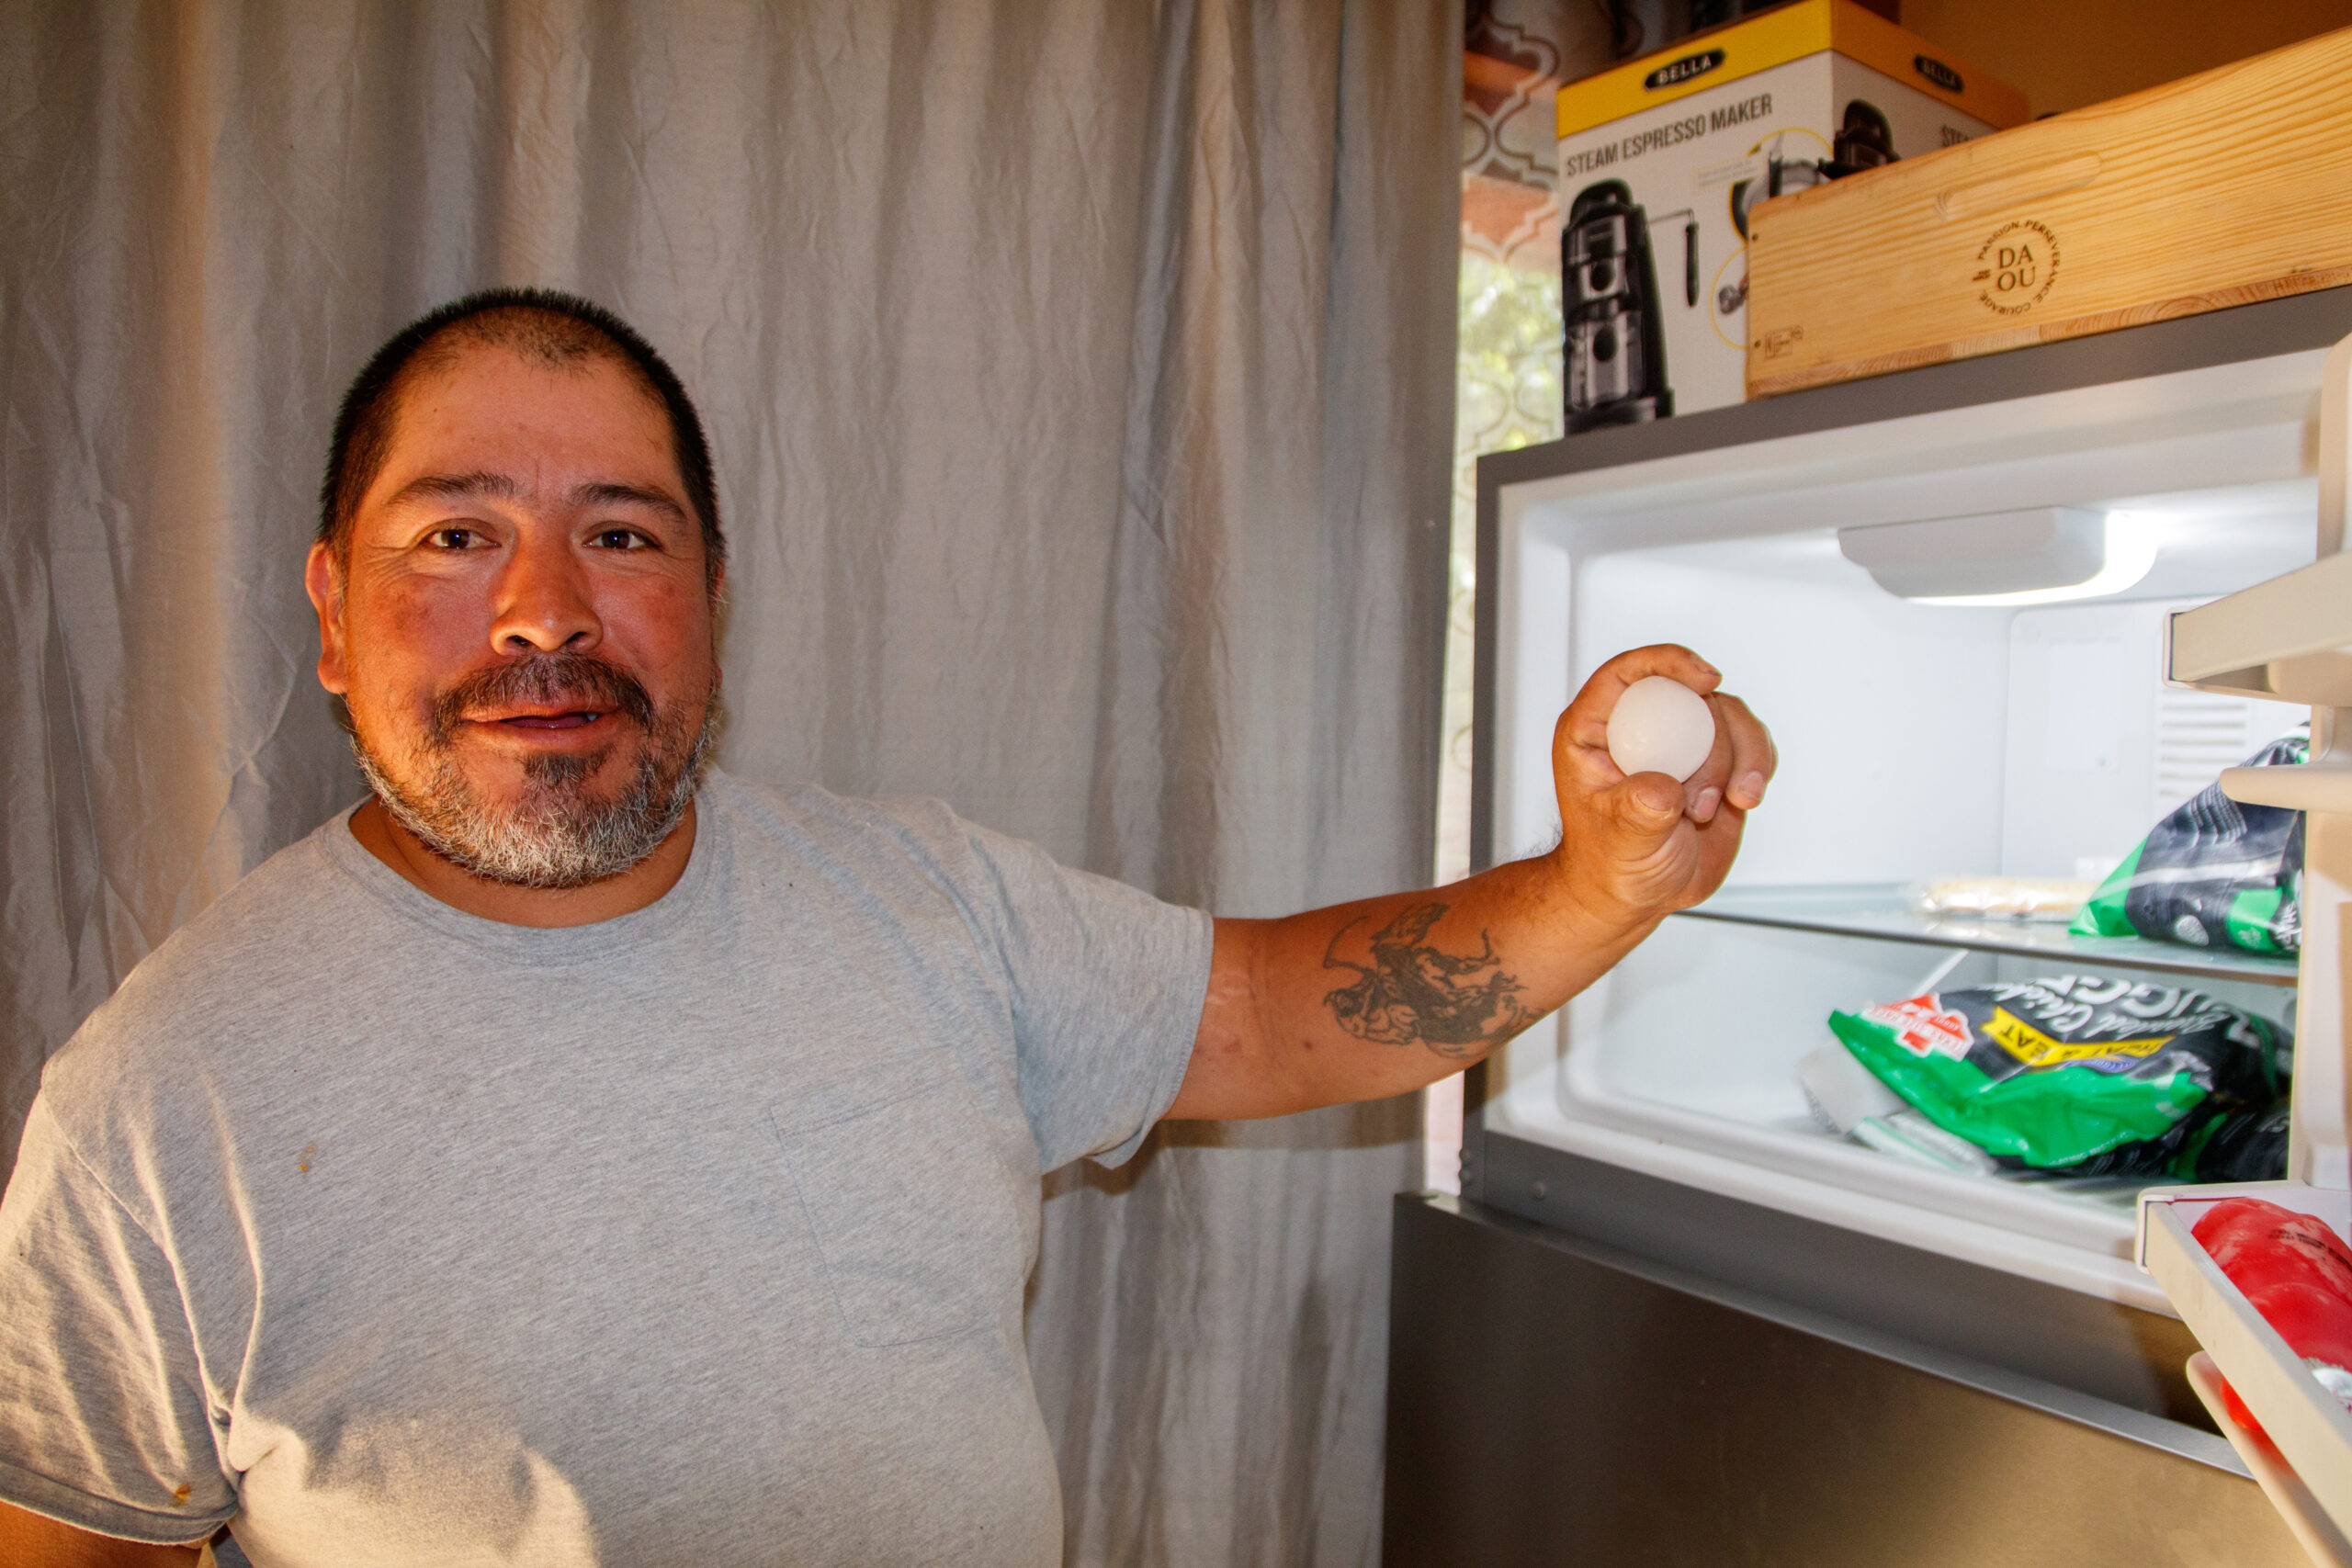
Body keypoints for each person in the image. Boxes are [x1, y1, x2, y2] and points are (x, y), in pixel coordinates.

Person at [0, 289, 1772, 1567]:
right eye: (457, 534)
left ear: (713, 605)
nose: (546, 613)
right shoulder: (162, 1099)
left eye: (622, 534)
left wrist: (1601, 880)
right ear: (330, 615)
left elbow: (1269, 1010)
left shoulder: (928, 905)